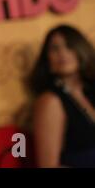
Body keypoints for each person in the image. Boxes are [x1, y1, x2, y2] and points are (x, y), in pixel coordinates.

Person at [29, 24, 95, 167]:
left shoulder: (89, 90)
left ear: (81, 49)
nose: (62, 54)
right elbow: (49, 166)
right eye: (55, 49)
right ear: (47, 59)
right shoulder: (50, 101)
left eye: (69, 46)